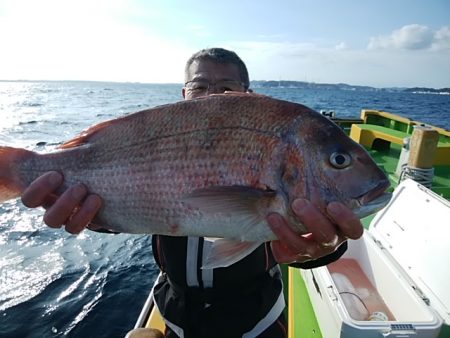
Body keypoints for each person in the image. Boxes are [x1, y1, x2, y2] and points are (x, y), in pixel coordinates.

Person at [21, 48, 363, 338]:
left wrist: (324, 248)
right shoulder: (161, 140)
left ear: (248, 94)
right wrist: (90, 217)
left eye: (226, 87)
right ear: (184, 94)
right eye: (200, 86)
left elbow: (312, 240)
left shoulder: (265, 148)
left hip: (257, 322)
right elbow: (122, 201)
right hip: (177, 319)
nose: (212, 95)